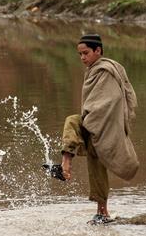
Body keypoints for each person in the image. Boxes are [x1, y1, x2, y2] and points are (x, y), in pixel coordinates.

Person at [52, 34, 139, 224]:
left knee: (75, 127)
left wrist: (93, 118)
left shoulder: (106, 70)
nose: (82, 58)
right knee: (94, 164)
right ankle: (66, 168)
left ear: (98, 51)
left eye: (86, 53)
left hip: (105, 124)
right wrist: (91, 117)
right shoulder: (94, 70)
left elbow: (112, 99)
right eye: (80, 54)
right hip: (95, 122)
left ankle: (101, 211)